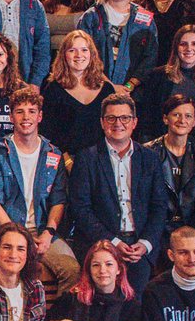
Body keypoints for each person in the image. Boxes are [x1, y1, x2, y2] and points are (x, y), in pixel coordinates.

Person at [68, 93, 169, 294]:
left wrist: (145, 243)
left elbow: (159, 207)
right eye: (111, 118)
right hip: (101, 245)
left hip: (139, 246)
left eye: (125, 118)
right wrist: (112, 242)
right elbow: (81, 210)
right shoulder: (87, 159)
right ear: (102, 122)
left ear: (134, 122)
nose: (118, 123)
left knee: (137, 306)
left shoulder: (150, 158)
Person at [0, 85, 78, 289]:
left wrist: (48, 233)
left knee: (72, 271)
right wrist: (18, 234)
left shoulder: (54, 154)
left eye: (31, 111)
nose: (26, 117)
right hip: (9, 231)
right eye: (19, 111)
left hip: (45, 234)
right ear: (11, 117)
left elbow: (59, 199)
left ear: (40, 116)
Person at [135, 25, 195, 145]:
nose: (189, 48)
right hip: (165, 145)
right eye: (183, 44)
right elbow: (148, 118)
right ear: (176, 47)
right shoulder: (158, 76)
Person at [77, 0, 158, 92]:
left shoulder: (145, 18)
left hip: (133, 92)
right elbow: (84, 55)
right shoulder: (91, 17)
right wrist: (110, 86)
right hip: (95, 89)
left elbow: (150, 57)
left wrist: (128, 86)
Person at [38, 30, 116, 155]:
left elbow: (114, 129)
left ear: (92, 54)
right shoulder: (53, 90)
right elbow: (46, 134)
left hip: (101, 161)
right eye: (72, 50)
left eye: (84, 50)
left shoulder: (107, 90)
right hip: (66, 163)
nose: (79, 55)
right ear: (64, 55)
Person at [147, 98, 195, 237]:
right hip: (159, 230)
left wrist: (194, 233)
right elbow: (147, 200)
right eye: (176, 115)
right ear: (165, 119)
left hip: (194, 228)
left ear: (194, 122)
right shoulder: (149, 152)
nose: (182, 120)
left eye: (188, 116)